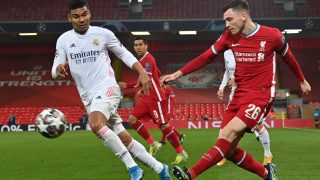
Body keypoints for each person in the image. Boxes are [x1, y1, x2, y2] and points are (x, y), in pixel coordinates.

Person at [162, 0, 311, 179]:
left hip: (260, 95)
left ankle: (190, 174)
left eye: (229, 19)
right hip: (238, 95)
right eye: (225, 20)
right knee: (227, 148)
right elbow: (206, 57)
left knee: (229, 134)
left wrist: (302, 80)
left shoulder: (272, 36)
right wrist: (179, 73)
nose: (226, 24)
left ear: (243, 16)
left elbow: (289, 58)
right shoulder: (228, 37)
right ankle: (267, 174)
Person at [52, 1, 172, 180]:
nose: (81, 19)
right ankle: (161, 169)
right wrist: (58, 71)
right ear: (69, 18)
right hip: (88, 96)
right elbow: (55, 69)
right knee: (123, 138)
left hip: (107, 87)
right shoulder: (64, 40)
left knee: (95, 124)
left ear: (90, 14)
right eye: (76, 16)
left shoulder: (103, 34)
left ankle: (133, 168)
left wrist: (141, 71)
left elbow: (123, 53)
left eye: (84, 14)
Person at [119, 36, 188, 164]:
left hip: (155, 98)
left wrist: (131, 86)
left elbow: (146, 79)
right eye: (136, 45)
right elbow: (153, 74)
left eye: (140, 45)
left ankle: (181, 152)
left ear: (146, 46)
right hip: (147, 98)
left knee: (164, 126)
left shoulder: (148, 59)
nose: (138, 47)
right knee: (132, 119)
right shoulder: (142, 60)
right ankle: (153, 143)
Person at [216, 49, 273, 167]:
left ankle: (268, 154)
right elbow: (228, 71)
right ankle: (224, 152)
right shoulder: (226, 52)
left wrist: (237, 79)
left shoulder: (247, 49)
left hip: (250, 91)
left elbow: (254, 72)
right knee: (228, 125)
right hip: (235, 93)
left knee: (257, 126)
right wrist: (221, 87)